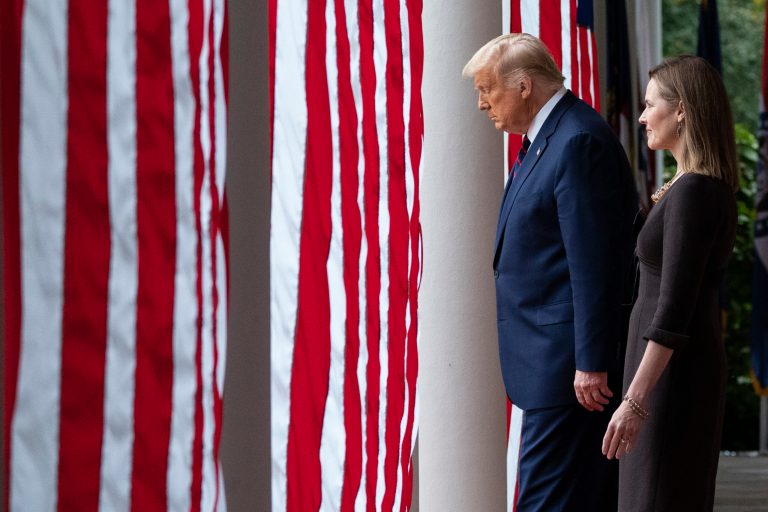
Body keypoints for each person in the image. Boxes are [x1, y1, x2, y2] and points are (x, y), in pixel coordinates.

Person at [463, 33, 638, 510]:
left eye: (487, 89)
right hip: (553, 367)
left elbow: (593, 264)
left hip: (569, 374)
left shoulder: (576, 140)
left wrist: (590, 362)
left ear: (523, 85)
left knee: (543, 502)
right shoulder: (548, 139)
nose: (482, 104)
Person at [602, 55, 739, 511]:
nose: (641, 116)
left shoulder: (696, 191)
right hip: (665, 376)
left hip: (670, 382)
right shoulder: (691, 186)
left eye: (649, 105)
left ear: (681, 109)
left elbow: (674, 309)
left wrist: (635, 402)